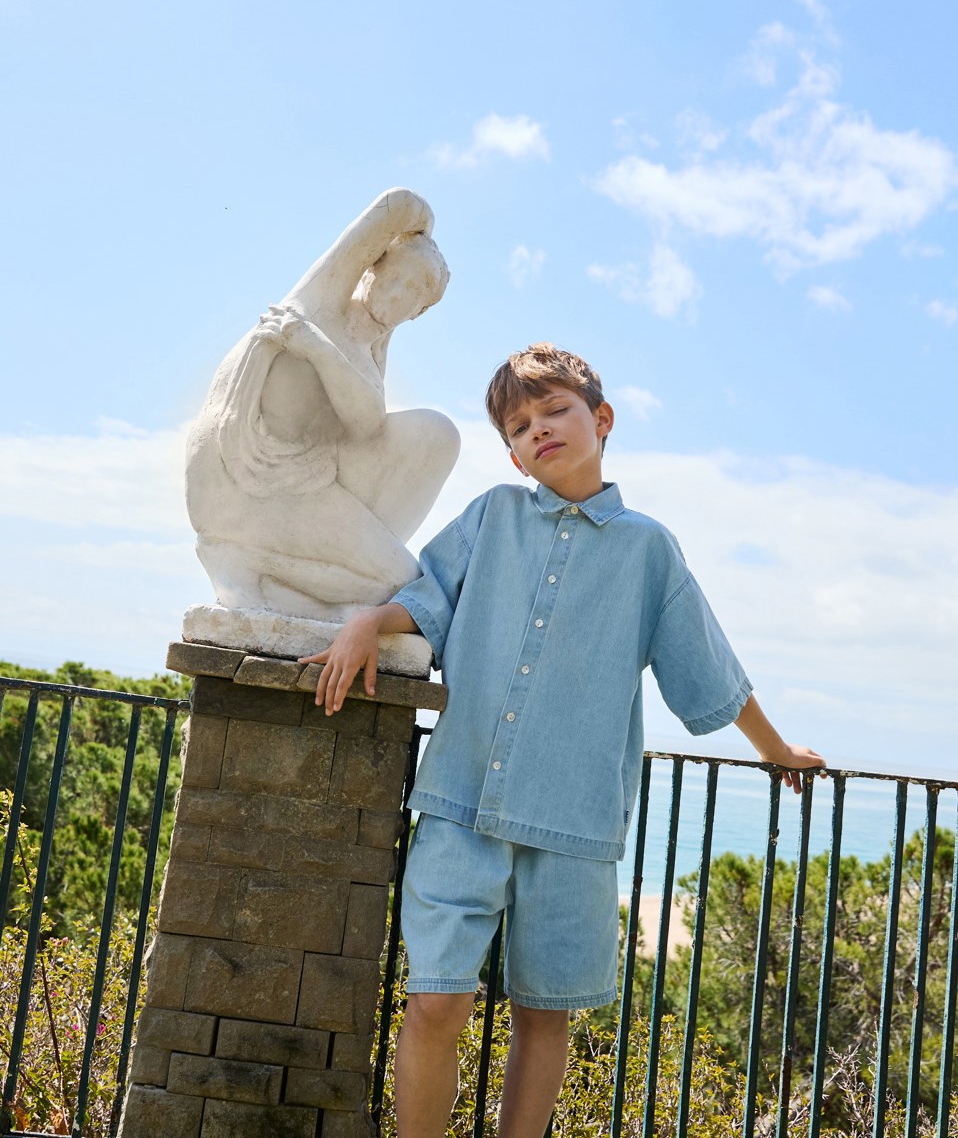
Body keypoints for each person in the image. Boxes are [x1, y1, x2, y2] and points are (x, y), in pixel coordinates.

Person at [299, 343, 826, 1138]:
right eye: (520, 424)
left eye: (555, 411)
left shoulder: (649, 549)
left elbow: (711, 668)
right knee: (436, 999)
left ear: (600, 419)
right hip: (461, 802)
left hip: (575, 826)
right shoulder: (492, 516)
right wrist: (369, 622)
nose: (539, 429)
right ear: (509, 449)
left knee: (544, 1019)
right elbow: (428, 598)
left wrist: (775, 749)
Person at [186, 188, 460, 621]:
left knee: (402, 586)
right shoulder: (318, 302)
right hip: (234, 482)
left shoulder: (366, 362)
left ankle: (258, 567)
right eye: (397, 277)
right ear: (373, 269)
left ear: (417, 313)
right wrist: (423, 226)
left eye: (414, 294)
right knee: (397, 589)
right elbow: (398, 205)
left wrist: (317, 349)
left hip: (304, 490)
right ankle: (246, 561)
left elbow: (366, 423)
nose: (399, 295)